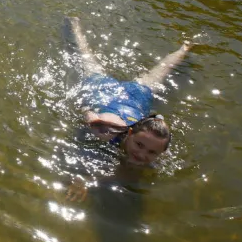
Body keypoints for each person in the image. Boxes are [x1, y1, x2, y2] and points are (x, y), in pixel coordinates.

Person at [64, 16, 192, 201]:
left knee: (163, 70)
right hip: (108, 94)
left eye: (151, 152)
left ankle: (185, 48)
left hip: (136, 100)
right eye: (139, 145)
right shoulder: (106, 132)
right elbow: (89, 115)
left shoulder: (157, 152)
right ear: (129, 134)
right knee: (86, 59)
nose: (141, 155)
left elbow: (124, 176)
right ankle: (74, 25)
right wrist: (87, 111)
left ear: (162, 153)